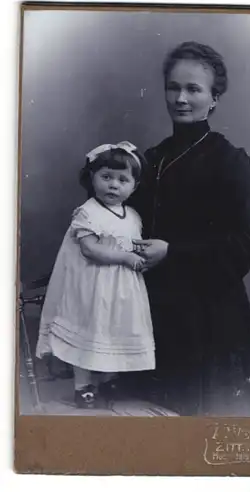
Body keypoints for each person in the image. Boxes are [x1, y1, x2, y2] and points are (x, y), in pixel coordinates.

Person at [131, 41, 250, 416]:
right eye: (174, 87)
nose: (181, 98)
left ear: (214, 97)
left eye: (194, 89)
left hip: (210, 322)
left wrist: (172, 253)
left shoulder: (229, 160)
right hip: (153, 314)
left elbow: (243, 246)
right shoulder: (151, 158)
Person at [36, 141, 155, 409]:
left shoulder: (133, 216)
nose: (113, 185)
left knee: (111, 331)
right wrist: (127, 258)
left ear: (134, 187)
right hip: (92, 286)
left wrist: (140, 257)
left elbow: (131, 244)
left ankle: (107, 379)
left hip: (120, 289)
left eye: (122, 180)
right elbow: (90, 250)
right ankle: (83, 386)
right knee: (90, 330)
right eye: (106, 177)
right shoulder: (88, 212)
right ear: (92, 178)